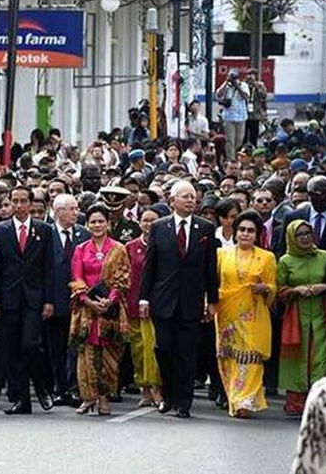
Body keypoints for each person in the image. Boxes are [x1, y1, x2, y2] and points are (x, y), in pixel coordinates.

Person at [139, 180, 218, 419]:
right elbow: (150, 265)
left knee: (187, 353)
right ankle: (169, 394)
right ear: (172, 200)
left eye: (193, 196)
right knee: (163, 349)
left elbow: (210, 267)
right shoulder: (159, 227)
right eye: (185, 196)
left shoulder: (205, 228)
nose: (191, 200)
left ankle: (184, 403)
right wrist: (144, 298)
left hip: (191, 301)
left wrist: (212, 300)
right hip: (163, 300)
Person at [0, 186, 55, 415]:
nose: (18, 205)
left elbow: (49, 267)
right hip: (8, 297)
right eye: (14, 201)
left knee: (30, 344)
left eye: (23, 201)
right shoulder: (0, 231)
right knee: (12, 349)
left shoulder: (44, 230)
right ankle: (21, 398)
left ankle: (41, 384)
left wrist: (49, 300)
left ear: (30, 203)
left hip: (34, 298)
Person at [215, 210, 277, 419]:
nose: (245, 234)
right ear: (235, 232)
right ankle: (234, 399)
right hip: (227, 315)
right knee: (230, 357)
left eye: (250, 230)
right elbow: (214, 284)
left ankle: (246, 400)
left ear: (257, 234)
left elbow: (273, 287)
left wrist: (265, 288)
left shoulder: (267, 257)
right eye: (241, 229)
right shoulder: (222, 254)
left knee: (251, 357)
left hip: (254, 314)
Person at [69, 204, 130, 416]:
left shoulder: (119, 249)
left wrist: (109, 300)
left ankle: (104, 398)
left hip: (110, 311)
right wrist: (87, 300)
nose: (97, 225)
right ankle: (89, 397)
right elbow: (76, 278)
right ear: (87, 224)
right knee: (86, 354)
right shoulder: (80, 249)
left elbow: (123, 279)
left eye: (100, 221)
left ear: (108, 223)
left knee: (109, 354)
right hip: (87, 310)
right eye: (93, 222)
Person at [278, 220, 326, 415]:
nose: (304, 238)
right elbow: (280, 291)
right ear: (292, 238)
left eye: (307, 233)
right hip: (296, 315)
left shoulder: (325, 257)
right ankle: (297, 402)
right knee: (297, 357)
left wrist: (324, 287)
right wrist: (295, 290)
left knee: (320, 358)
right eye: (299, 234)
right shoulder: (285, 261)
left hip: (321, 314)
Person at [47, 193, 90, 407]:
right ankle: (58, 388)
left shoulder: (84, 234)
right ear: (58, 211)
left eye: (76, 208)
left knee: (75, 346)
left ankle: (74, 388)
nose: (76, 213)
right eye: (71, 209)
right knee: (55, 346)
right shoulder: (46, 233)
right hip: (54, 299)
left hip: (80, 300)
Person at [125, 205, 164, 407]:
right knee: (138, 350)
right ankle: (144, 388)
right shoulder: (130, 247)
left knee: (152, 348)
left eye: (153, 220)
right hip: (133, 303)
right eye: (145, 220)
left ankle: (157, 387)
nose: (149, 224)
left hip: (156, 303)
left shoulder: (165, 244)